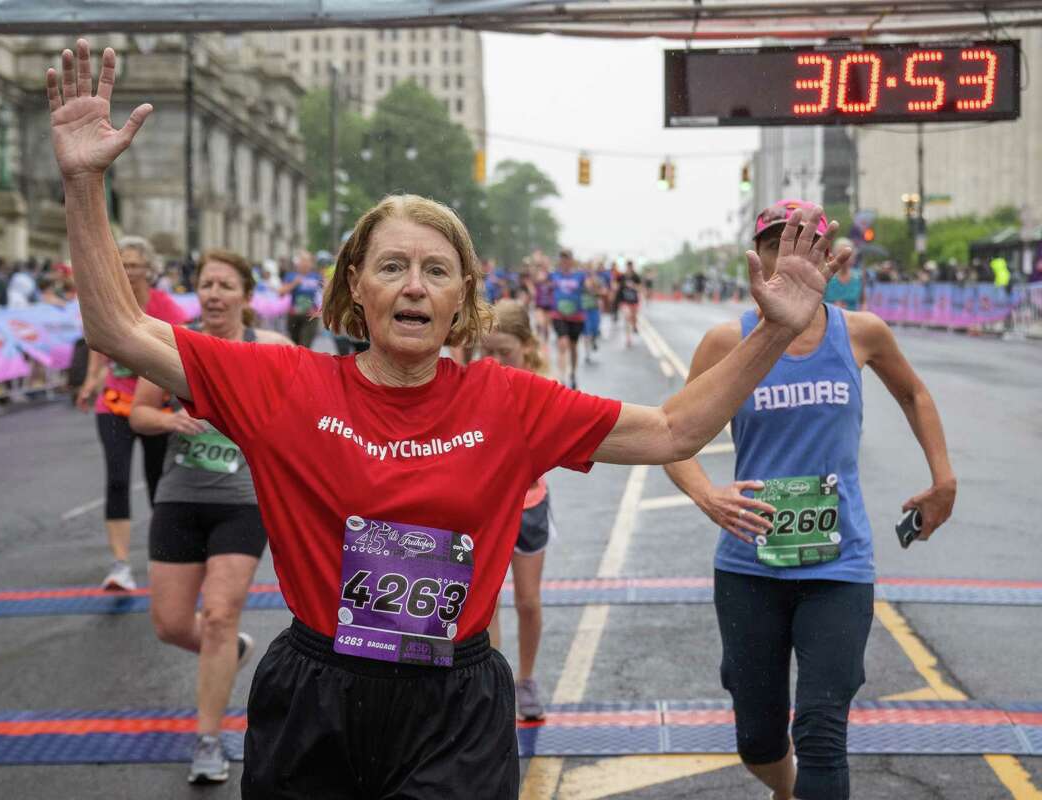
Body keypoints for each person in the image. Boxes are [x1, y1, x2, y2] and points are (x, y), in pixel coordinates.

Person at [47, 41, 846, 796]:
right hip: (315, 692)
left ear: (464, 295)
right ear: (356, 285)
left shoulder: (510, 402)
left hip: (455, 708)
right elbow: (119, 328)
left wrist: (775, 331)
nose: (415, 287)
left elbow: (675, 430)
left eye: (437, 271)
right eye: (393, 267)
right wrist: (84, 184)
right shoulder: (281, 382)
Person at [662, 199, 956, 800]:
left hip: (839, 564)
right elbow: (670, 437)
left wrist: (943, 478)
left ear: (825, 256)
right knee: (759, 740)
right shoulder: (726, 342)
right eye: (773, 242)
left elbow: (914, 394)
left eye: (801, 242)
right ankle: (784, 787)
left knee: (822, 730)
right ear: (757, 255)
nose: (784, 254)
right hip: (749, 566)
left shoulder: (862, 333)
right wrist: (708, 496)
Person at [130, 249, 290, 783]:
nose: (214, 294)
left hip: (242, 500)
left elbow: (301, 415)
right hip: (179, 496)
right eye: (206, 285)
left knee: (219, 615)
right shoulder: (175, 344)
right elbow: (139, 413)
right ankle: (231, 651)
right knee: (172, 624)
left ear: (246, 295)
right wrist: (171, 421)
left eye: (225, 285)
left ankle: (207, 739)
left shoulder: (272, 350)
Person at [75, 234, 189, 591]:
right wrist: (91, 378)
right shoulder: (109, 301)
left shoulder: (165, 307)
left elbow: (184, 348)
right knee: (118, 480)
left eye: (135, 265)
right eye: (122, 264)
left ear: (149, 269)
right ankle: (120, 565)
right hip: (112, 403)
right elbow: (99, 340)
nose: (128, 271)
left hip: (155, 405)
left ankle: (162, 561)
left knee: (158, 483)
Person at [482, 299, 555, 721]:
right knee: (485, 601)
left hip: (529, 504)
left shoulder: (542, 388)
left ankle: (525, 679)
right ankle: (493, 683)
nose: (492, 361)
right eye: (484, 351)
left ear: (526, 348)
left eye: (503, 352)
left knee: (527, 601)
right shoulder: (472, 384)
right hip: (485, 508)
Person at [549, 248, 587, 389]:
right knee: (562, 343)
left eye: (567, 258)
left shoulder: (580, 276)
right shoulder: (554, 276)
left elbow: (591, 287)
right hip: (558, 315)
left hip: (576, 316)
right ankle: (562, 378)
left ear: (571, 260)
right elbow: (539, 280)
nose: (564, 261)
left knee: (573, 347)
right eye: (562, 258)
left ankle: (573, 373)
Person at [280, 249, 322, 348]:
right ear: (297, 263)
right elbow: (281, 292)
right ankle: (295, 362)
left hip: (310, 315)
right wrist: (294, 284)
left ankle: (303, 362)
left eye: (308, 261)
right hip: (294, 315)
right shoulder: (291, 276)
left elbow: (325, 293)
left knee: (305, 344)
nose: (305, 264)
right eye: (303, 261)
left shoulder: (316, 277)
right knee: (294, 344)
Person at [823, 240, 865, 311]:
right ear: (834, 255)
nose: (844, 257)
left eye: (848, 255)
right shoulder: (827, 275)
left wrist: (863, 314)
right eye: (840, 253)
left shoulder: (859, 276)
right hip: (829, 318)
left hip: (852, 319)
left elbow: (863, 301)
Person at [616, 261, 641, 347]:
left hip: (634, 301)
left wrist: (633, 286)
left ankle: (634, 326)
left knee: (633, 317)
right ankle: (628, 339)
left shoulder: (636, 276)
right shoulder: (622, 276)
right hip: (625, 301)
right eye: (628, 267)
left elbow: (640, 287)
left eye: (630, 267)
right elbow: (616, 284)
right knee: (627, 318)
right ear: (626, 267)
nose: (629, 269)